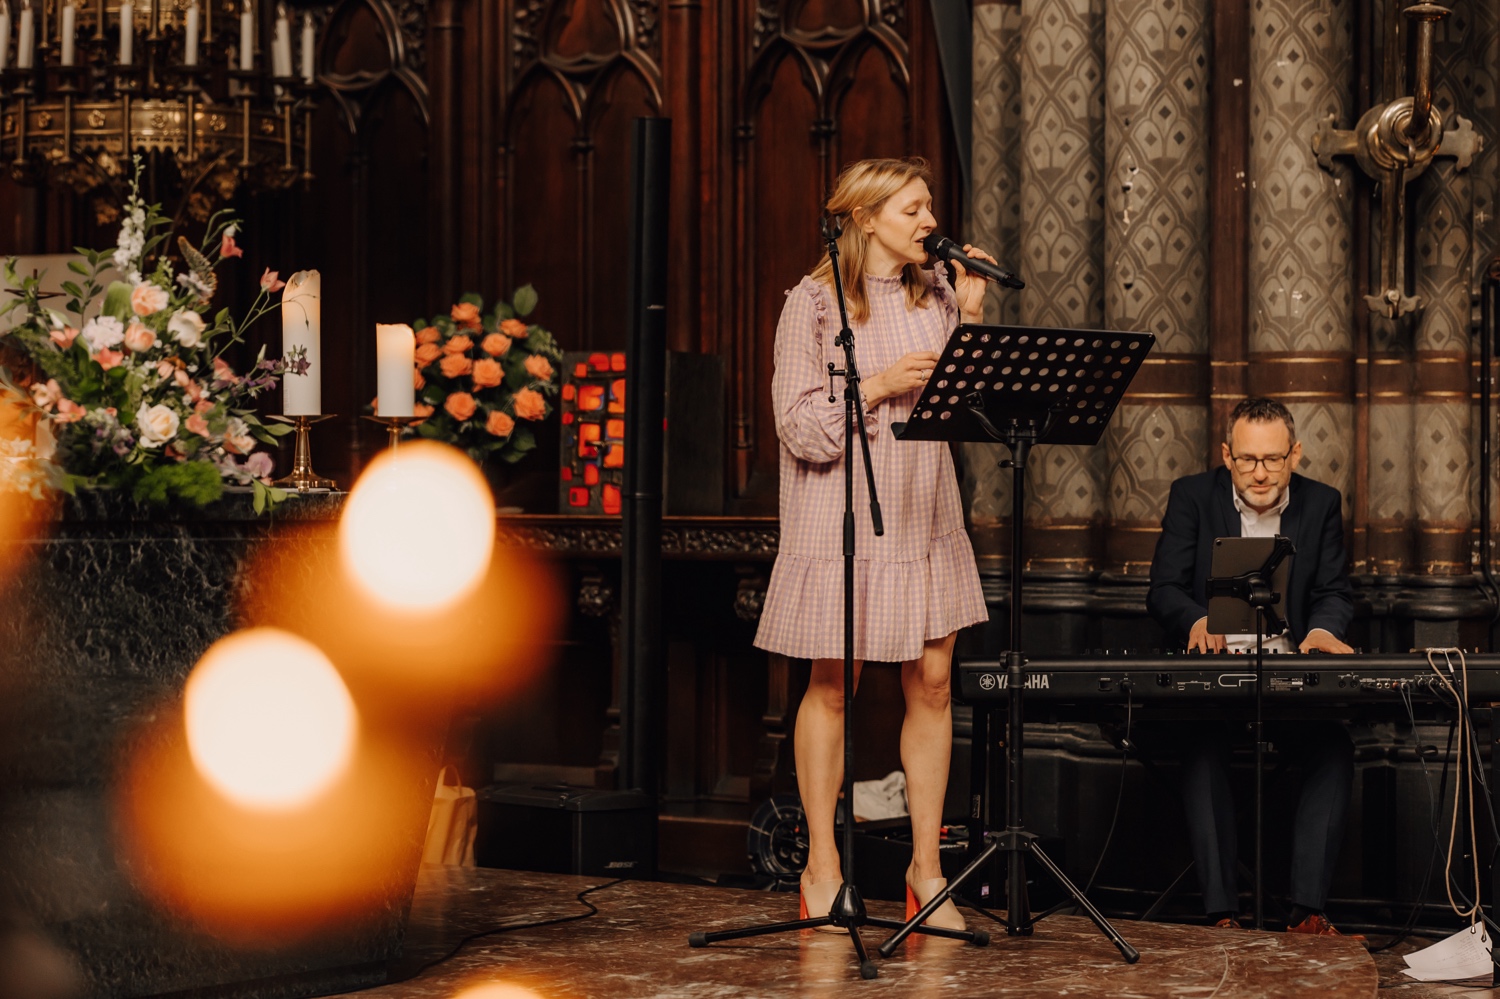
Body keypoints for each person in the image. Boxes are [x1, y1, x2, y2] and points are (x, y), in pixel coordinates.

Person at [753, 157, 991, 932]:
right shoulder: (813, 304)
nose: (930, 222)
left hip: (926, 509)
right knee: (833, 681)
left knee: (932, 680)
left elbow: (971, 409)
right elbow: (797, 427)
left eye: (929, 208)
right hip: (841, 512)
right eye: (914, 210)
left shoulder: (942, 295)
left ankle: (927, 870)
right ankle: (822, 865)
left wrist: (975, 321)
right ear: (864, 218)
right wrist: (879, 386)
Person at [1146, 396, 1358, 936]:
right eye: (1246, 460)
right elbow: (1164, 589)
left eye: (1273, 459)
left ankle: (1307, 912)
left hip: (1291, 677)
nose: (1260, 473)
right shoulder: (1192, 497)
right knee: (1201, 747)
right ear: (1226, 455)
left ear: (1295, 454)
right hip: (1214, 678)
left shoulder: (1323, 503)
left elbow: (1335, 591)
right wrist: (1196, 620)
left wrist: (1321, 631)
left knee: (1332, 747)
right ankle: (1222, 914)